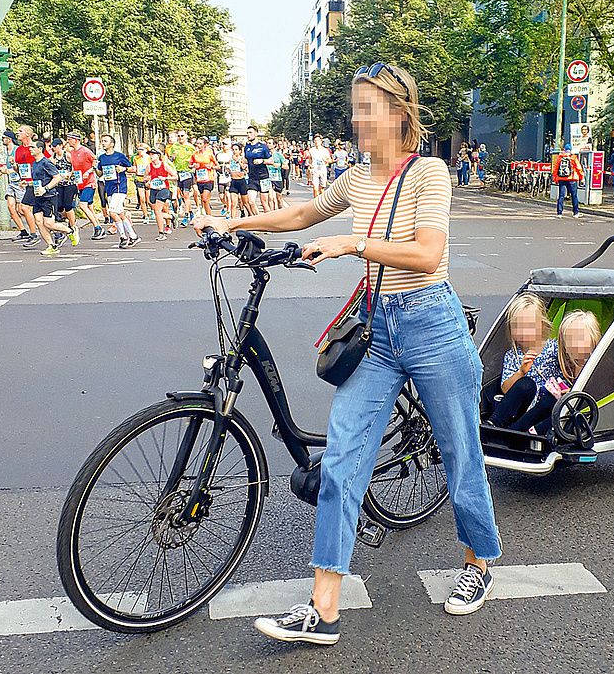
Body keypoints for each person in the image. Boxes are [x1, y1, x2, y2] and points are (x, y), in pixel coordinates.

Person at [194, 61, 502, 645]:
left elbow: (428, 255)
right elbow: (304, 213)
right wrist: (232, 221)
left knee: (461, 450)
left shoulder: (430, 173)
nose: (357, 118)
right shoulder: (357, 178)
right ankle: (323, 606)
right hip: (377, 331)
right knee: (340, 459)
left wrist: (351, 244)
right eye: (355, 107)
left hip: (432, 321)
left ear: (399, 112)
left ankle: (477, 562)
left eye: (368, 107)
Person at [485, 305, 601, 437]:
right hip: (524, 407)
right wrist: (521, 372)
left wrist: (569, 393)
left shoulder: (556, 350)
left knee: (553, 399)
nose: (575, 344)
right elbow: (505, 389)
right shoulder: (512, 355)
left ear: (543, 326)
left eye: (529, 326)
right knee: (526, 384)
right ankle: (494, 424)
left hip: (552, 408)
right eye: (517, 327)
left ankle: (516, 432)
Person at [30, 140, 76, 256]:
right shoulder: (35, 163)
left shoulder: (46, 162)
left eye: (32, 147)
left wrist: (45, 188)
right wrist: (28, 184)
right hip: (38, 196)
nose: (30, 149)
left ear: (40, 149)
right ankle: (51, 245)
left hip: (49, 197)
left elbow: (57, 178)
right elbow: (38, 180)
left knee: (49, 224)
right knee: (39, 222)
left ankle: (70, 230)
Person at [97, 135, 138, 248]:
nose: (103, 143)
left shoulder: (119, 156)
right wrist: (96, 168)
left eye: (106, 141)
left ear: (112, 144)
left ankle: (123, 237)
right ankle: (134, 236)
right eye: (102, 141)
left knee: (112, 212)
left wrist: (123, 169)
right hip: (109, 187)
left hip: (120, 187)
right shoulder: (102, 157)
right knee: (119, 213)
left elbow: (133, 168)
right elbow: (100, 174)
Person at [66, 132, 104, 240]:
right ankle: (100, 228)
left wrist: (89, 171)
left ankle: (97, 228)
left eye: (70, 139)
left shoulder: (86, 151)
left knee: (83, 205)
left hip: (89, 182)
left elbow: (96, 162)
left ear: (76, 140)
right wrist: (70, 173)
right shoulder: (72, 153)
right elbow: (76, 167)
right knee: (90, 208)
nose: (68, 141)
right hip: (80, 183)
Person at [0, 129, 31, 242]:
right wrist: (2, 170)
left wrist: (10, 169)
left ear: (9, 139)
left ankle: (34, 228)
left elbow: (21, 167)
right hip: (11, 183)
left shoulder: (17, 150)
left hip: (20, 182)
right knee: (10, 207)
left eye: (4, 138)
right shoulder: (6, 151)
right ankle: (23, 231)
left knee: (22, 209)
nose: (2, 140)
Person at [14, 125, 42, 246]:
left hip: (37, 182)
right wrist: (14, 166)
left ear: (27, 134)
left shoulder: (35, 147)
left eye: (20, 131)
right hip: (26, 183)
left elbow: (45, 161)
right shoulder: (19, 150)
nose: (17, 133)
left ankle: (33, 234)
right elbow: (19, 168)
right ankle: (56, 232)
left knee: (25, 208)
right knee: (36, 211)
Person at [51, 138, 80, 247]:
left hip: (69, 183)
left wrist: (70, 173)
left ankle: (73, 226)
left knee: (68, 205)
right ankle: (66, 222)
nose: (54, 149)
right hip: (59, 184)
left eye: (56, 146)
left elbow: (75, 166)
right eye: (53, 147)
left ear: (60, 146)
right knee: (59, 207)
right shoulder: (52, 158)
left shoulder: (67, 155)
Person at [147, 148, 178, 240]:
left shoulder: (164, 165)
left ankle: (161, 233)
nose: (151, 156)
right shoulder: (149, 166)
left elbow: (175, 176)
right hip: (153, 189)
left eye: (153, 154)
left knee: (157, 210)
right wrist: (147, 181)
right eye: (150, 154)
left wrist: (165, 178)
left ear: (158, 155)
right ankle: (171, 217)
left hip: (164, 189)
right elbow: (145, 178)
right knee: (156, 210)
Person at [243, 125, 270, 216]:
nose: (248, 135)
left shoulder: (263, 147)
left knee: (264, 203)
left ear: (256, 134)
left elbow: (271, 160)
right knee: (251, 202)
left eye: (250, 132)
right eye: (247, 133)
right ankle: (259, 221)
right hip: (252, 178)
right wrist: (244, 164)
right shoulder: (247, 147)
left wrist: (262, 160)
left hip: (263, 177)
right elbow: (246, 160)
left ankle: (270, 223)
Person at [552, 143, 583, 217]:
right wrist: (582, 177)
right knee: (574, 195)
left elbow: (555, 168)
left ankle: (559, 213)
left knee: (561, 195)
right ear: (571, 149)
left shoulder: (560, 157)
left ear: (564, 149)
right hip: (572, 178)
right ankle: (575, 213)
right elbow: (578, 167)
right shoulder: (573, 157)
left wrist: (555, 178)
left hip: (561, 178)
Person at [192, 137, 218, 218]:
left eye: (200, 144)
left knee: (205, 200)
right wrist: (193, 165)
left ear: (205, 145)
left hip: (209, 179)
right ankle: (207, 215)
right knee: (203, 198)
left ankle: (209, 218)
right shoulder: (194, 154)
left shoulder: (209, 154)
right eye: (197, 144)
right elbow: (190, 165)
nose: (198, 146)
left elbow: (217, 166)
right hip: (200, 179)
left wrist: (211, 166)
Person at [267, 137, 288, 210]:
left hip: (277, 178)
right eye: (267, 143)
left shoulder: (279, 155)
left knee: (278, 198)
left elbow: (286, 166)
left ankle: (280, 212)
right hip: (268, 179)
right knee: (270, 197)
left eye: (269, 143)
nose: (267, 145)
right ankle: (271, 214)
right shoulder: (265, 155)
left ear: (274, 145)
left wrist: (280, 165)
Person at [133, 142, 151, 223]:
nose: (140, 151)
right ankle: (146, 216)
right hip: (139, 179)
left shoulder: (149, 158)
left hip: (148, 179)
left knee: (148, 200)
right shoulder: (136, 158)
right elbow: (135, 167)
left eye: (142, 149)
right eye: (138, 149)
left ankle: (153, 211)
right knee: (142, 198)